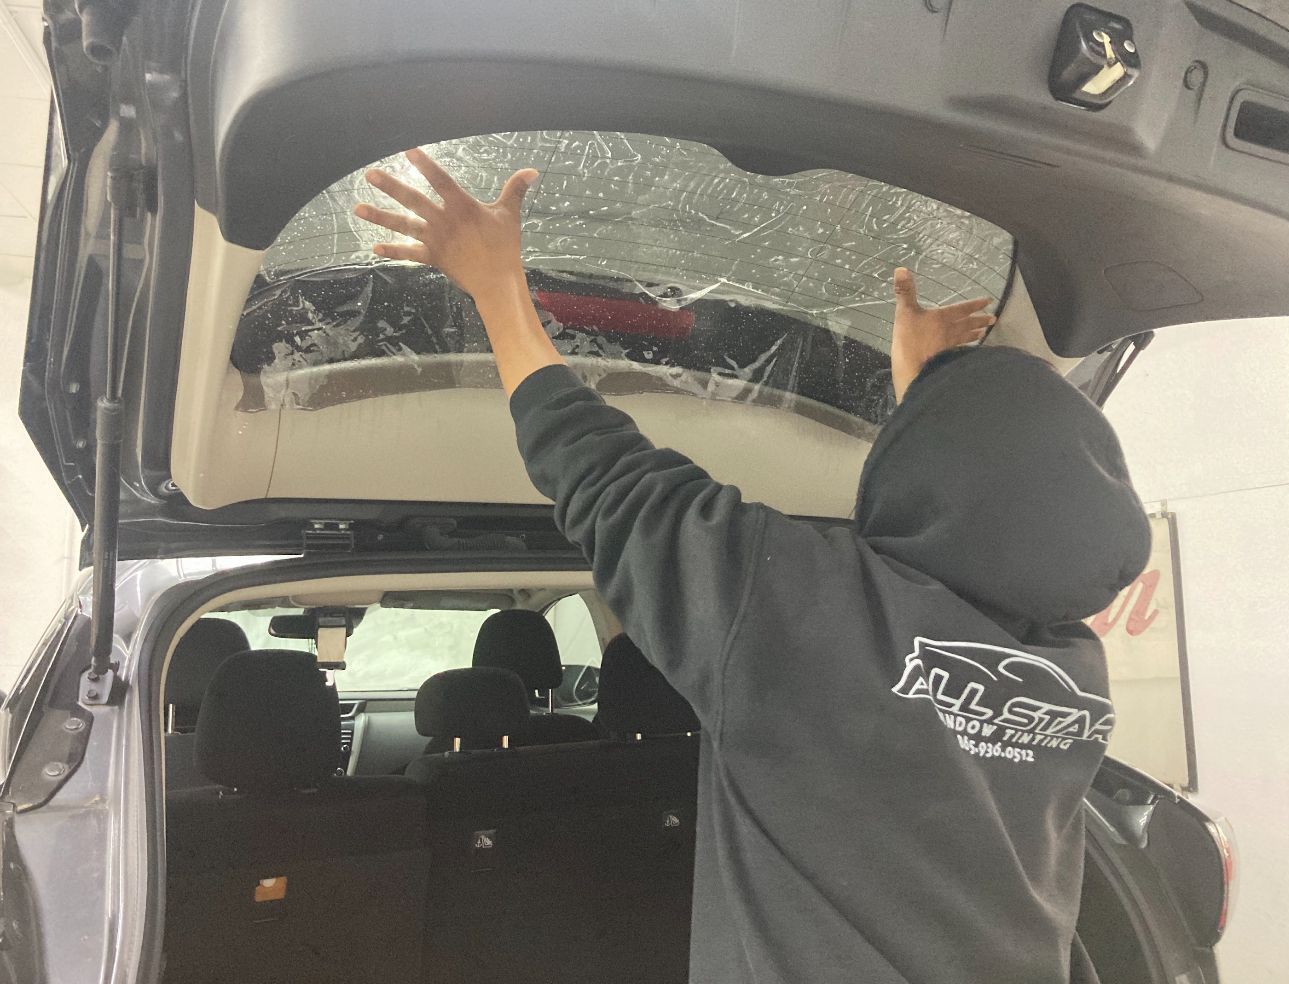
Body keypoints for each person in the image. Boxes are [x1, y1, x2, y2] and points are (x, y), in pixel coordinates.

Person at [354, 151, 1151, 984]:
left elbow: (602, 473)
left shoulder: (808, 615)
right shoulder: (1071, 679)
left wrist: (495, 286)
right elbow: (963, 543)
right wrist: (925, 400)